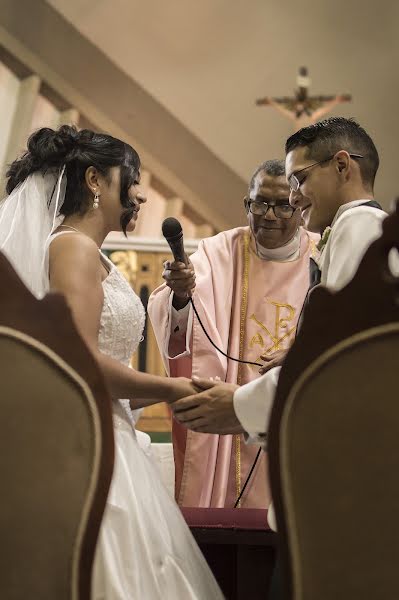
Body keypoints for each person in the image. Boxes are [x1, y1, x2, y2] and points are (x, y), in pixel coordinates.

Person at [0, 125, 223, 599]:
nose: (139, 194)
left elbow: (106, 371)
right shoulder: (72, 248)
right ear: (96, 180)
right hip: (96, 445)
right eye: (133, 177)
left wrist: (182, 388)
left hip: (110, 428)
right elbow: (80, 363)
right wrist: (168, 390)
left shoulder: (92, 253)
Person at [170, 118, 388, 526]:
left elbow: (339, 364)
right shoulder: (361, 229)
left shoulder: (358, 230)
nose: (293, 197)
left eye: (299, 180)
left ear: (342, 166)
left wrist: (238, 405)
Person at [148, 159, 318, 509]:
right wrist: (181, 295)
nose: (269, 215)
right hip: (230, 431)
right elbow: (184, 323)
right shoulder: (219, 251)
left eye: (283, 205)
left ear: (299, 208)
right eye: (259, 203)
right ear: (246, 205)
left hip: (300, 415)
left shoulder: (324, 255)